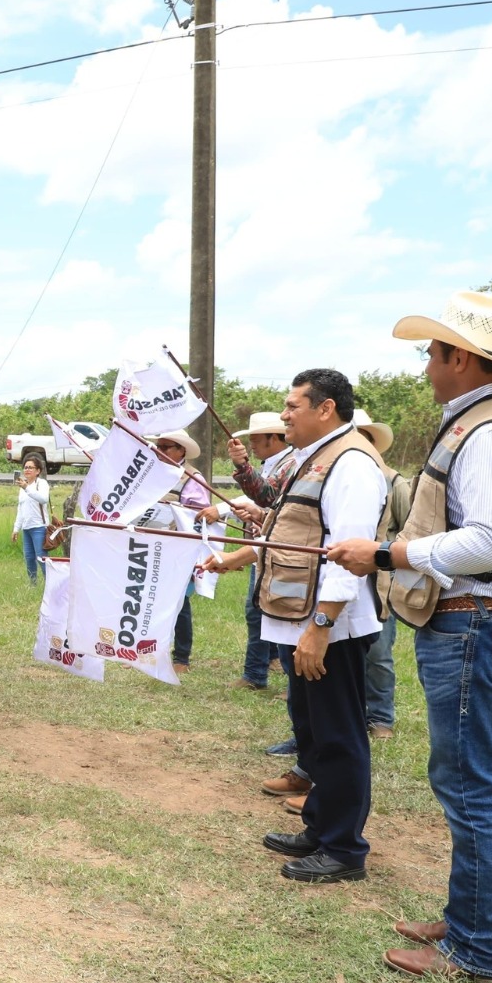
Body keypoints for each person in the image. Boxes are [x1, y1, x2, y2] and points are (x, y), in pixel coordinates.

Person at [329, 291, 492, 983]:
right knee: (464, 782)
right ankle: (468, 920)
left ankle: (481, 947)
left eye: (432, 352)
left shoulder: (489, 434)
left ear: (462, 357)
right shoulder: (487, 421)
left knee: (469, 788)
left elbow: (489, 541)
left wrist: (389, 555)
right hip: (473, 625)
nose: (427, 365)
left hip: (474, 624)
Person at [203, 368, 386, 884]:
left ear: (325, 409)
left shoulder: (350, 464)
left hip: (330, 625)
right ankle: (320, 827)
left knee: (338, 736)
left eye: (292, 406)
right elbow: (286, 515)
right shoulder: (312, 458)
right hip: (301, 617)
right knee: (312, 734)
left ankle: (344, 849)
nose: (284, 415)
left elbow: (348, 553)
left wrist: (321, 626)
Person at [221, 412, 296, 692]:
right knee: (259, 612)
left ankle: (281, 680)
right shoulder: (274, 464)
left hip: (278, 552)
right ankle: (257, 673)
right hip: (264, 548)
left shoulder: (290, 464)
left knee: (281, 615)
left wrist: (242, 466)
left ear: (275, 438)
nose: (251, 444)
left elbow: (269, 497)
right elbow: (266, 500)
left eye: (256, 439)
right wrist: (258, 513)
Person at [350, 409, 412, 740]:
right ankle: (351, 714)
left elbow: (409, 531)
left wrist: (379, 551)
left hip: (380, 578)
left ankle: (381, 718)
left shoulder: (393, 481)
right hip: (342, 572)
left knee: (378, 651)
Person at [150, 431, 215, 673]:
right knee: (153, 600)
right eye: (158, 446)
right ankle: (153, 649)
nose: (160, 451)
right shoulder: (151, 474)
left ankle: (181, 658)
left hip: (179, 550)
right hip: (153, 546)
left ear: (181, 451)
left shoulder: (192, 479)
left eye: (167, 447)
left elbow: (199, 518)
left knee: (179, 603)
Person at [10, 455, 50, 586]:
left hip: (39, 526)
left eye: (30, 468)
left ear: (38, 471)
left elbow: (43, 499)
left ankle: (49, 584)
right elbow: (20, 510)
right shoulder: (23, 487)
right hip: (26, 528)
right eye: (25, 467)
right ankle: (33, 584)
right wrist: (16, 528)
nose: (27, 470)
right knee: (29, 558)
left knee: (41, 557)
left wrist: (26, 487)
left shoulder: (41, 484)